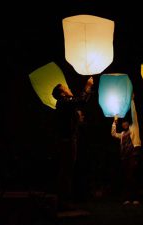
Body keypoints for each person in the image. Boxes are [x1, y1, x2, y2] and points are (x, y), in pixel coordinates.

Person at [52, 76, 94, 211]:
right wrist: (87, 86)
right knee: (66, 171)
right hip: (67, 141)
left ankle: (63, 200)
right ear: (62, 93)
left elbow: (79, 104)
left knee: (66, 170)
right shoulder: (64, 102)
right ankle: (63, 202)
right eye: (65, 88)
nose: (68, 88)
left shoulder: (64, 103)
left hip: (67, 140)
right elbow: (81, 100)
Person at [111, 94, 142, 205]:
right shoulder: (122, 134)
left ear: (128, 123)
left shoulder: (134, 128)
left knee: (133, 175)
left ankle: (135, 198)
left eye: (126, 122)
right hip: (125, 156)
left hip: (134, 153)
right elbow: (113, 134)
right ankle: (128, 198)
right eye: (122, 122)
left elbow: (134, 115)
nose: (124, 123)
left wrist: (132, 101)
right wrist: (115, 121)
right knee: (126, 177)